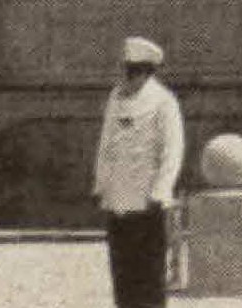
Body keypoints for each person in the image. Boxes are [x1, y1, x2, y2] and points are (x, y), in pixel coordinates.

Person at [93, 34, 185, 308]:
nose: (127, 77)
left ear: (147, 72)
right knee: (122, 273)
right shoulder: (116, 98)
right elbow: (106, 144)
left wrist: (161, 190)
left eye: (133, 72)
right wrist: (100, 185)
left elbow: (172, 150)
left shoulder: (163, 101)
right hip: (117, 201)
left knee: (149, 274)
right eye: (125, 70)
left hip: (148, 202)